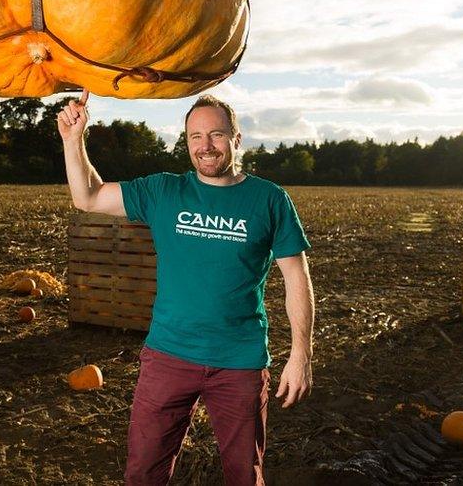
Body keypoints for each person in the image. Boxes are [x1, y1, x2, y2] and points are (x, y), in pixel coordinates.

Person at [58, 91, 314, 486]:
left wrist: (301, 354)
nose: (205, 145)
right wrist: (73, 140)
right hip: (168, 356)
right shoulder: (164, 191)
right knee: (144, 473)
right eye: (195, 136)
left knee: (245, 476)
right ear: (186, 141)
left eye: (215, 134)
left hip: (239, 362)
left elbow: (296, 278)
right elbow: (88, 196)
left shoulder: (269, 200)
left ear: (235, 138)